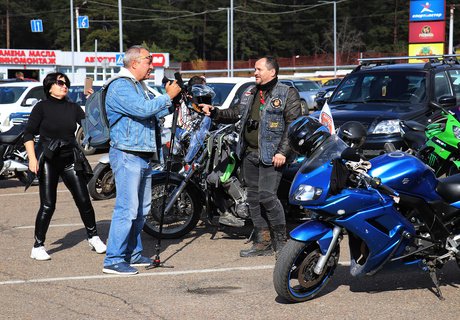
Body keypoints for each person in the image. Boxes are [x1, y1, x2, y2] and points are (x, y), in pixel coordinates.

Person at [202, 56, 302, 259]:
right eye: (254, 70)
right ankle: (262, 242)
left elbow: (293, 125)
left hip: (272, 156)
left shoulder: (287, 93)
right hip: (249, 154)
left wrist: (283, 152)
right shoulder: (251, 92)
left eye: (258, 69)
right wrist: (215, 113)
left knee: (268, 197)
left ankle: (282, 245)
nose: (254, 73)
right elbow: (236, 112)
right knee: (254, 200)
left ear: (272, 72)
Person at [102, 45, 181, 275]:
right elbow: (142, 110)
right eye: (148, 60)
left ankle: (132, 253)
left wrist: (171, 102)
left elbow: (153, 114)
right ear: (134, 62)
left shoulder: (140, 87)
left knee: (142, 209)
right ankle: (113, 259)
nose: (152, 64)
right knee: (127, 209)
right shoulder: (120, 86)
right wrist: (167, 97)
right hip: (127, 154)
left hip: (144, 155)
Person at [24, 72, 107, 261]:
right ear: (50, 86)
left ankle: (93, 237)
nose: (64, 86)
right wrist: (32, 159)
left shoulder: (73, 107)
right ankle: (37, 246)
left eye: (66, 83)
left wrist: (91, 101)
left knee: (84, 199)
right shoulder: (41, 107)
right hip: (49, 159)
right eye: (60, 83)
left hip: (70, 158)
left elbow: (91, 126)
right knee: (48, 204)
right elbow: (28, 134)